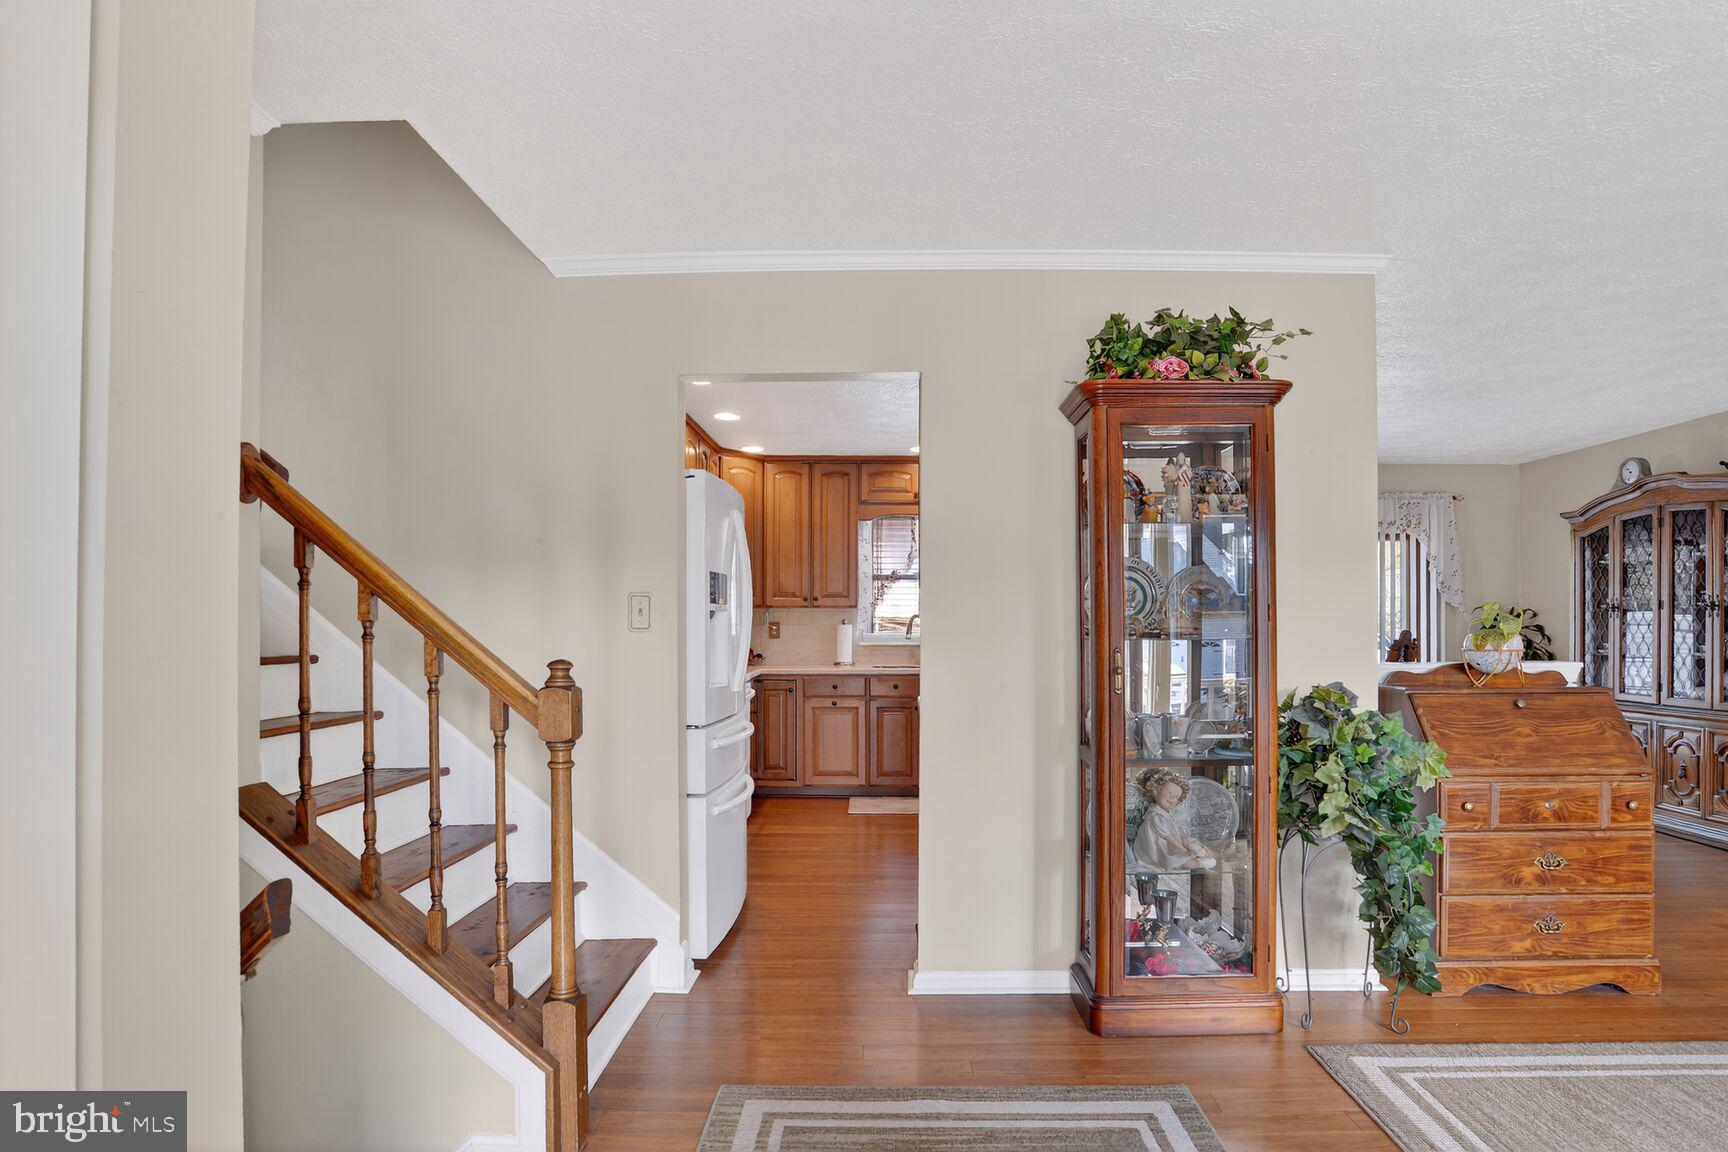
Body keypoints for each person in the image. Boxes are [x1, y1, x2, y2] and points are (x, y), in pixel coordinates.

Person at [1131, 767, 1216, 870]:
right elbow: (1170, 839)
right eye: (1169, 793)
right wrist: (1185, 851)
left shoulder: (1167, 814)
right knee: (1186, 862)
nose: (1172, 799)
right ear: (1156, 790)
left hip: (1172, 847)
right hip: (1159, 852)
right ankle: (1199, 862)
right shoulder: (1155, 816)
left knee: (1196, 849)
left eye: (1176, 797)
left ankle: (1200, 858)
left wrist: (1186, 843)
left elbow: (1179, 831)